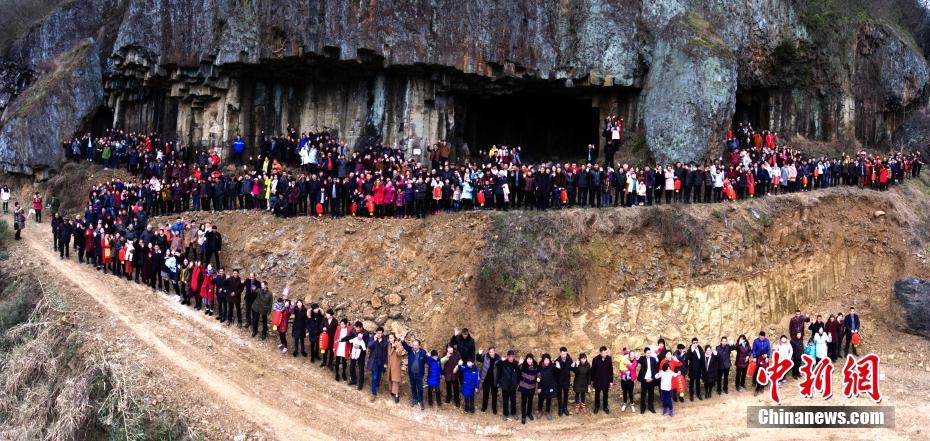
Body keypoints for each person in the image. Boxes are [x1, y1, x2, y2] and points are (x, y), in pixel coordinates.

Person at [400, 336, 428, 409]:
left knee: (420, 388)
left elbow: (426, 361)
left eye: (416, 345)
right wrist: (402, 341)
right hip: (411, 374)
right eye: (413, 345)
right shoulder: (410, 350)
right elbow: (405, 346)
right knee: (413, 387)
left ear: (419, 345)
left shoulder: (423, 352)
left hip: (419, 374)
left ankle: (420, 401)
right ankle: (414, 399)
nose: (414, 346)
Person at [341, 321, 370, 389]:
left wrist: (359, 347)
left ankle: (360, 383)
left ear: (361, 328)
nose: (356, 329)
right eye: (355, 328)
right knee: (352, 365)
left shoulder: (366, 333)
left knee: (361, 368)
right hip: (353, 351)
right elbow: (348, 336)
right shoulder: (353, 330)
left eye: (357, 328)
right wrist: (341, 339)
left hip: (361, 353)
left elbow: (366, 344)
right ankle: (353, 380)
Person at [497, 350, 520, 421]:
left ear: (514, 357)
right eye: (509, 356)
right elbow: (497, 367)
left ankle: (514, 413)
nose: (511, 358)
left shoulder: (517, 364)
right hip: (505, 386)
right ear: (507, 357)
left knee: (513, 400)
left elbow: (519, 374)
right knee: (505, 401)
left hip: (513, 386)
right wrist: (501, 360)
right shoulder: (503, 363)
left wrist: (517, 383)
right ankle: (505, 414)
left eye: (512, 356)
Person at [366, 327, 389, 399]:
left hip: (381, 362)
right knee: (375, 376)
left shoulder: (385, 340)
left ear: (382, 333)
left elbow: (386, 353)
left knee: (379, 375)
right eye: (378, 333)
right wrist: (374, 341)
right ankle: (373, 393)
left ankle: (376, 385)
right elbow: (369, 346)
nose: (379, 334)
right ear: (376, 333)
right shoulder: (373, 338)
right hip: (374, 362)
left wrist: (385, 362)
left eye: (380, 333)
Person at [590, 346, 613, 414]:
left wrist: (611, 381)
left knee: (605, 394)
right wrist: (592, 380)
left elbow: (611, 370)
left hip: (606, 380)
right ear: (600, 353)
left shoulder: (609, 359)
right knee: (597, 394)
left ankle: (605, 407)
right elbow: (592, 371)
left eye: (606, 353)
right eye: (603, 353)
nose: (605, 354)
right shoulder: (595, 359)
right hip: (597, 380)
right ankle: (596, 406)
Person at [517, 354, 538, 425]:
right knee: (524, 401)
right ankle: (523, 416)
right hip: (524, 386)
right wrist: (519, 363)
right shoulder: (523, 365)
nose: (529, 360)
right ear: (526, 359)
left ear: (532, 359)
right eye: (528, 359)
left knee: (530, 401)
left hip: (532, 386)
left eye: (530, 359)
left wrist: (539, 377)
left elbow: (538, 373)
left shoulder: (535, 366)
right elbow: (517, 370)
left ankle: (529, 413)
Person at [637, 346, 659, 414]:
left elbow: (656, 369)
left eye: (649, 353)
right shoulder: (642, 359)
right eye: (647, 353)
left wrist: (652, 378)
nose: (649, 354)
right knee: (643, 395)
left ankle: (651, 408)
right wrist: (640, 356)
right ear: (645, 353)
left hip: (651, 380)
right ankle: (643, 408)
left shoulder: (653, 359)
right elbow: (637, 359)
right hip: (644, 380)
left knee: (651, 395)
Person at [536, 354, 558, 420]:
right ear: (543, 360)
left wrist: (558, 366)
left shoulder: (552, 366)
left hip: (550, 386)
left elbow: (557, 371)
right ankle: (540, 411)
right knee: (541, 399)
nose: (546, 361)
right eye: (545, 360)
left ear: (549, 360)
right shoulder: (540, 367)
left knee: (549, 399)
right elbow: (538, 376)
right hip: (542, 386)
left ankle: (547, 411)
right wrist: (539, 387)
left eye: (547, 360)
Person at [479, 347, 499, 414]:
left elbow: (501, 368)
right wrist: (479, 354)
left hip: (494, 379)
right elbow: (478, 359)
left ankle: (494, 408)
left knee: (494, 395)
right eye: (490, 352)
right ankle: (484, 407)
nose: (491, 353)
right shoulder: (485, 357)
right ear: (488, 352)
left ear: (494, 352)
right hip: (486, 379)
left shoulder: (498, 359)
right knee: (485, 393)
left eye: (492, 352)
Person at [553, 347, 572, 417]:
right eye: (563, 354)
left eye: (565, 354)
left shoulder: (569, 359)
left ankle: (565, 408)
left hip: (566, 381)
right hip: (559, 381)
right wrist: (557, 368)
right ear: (560, 353)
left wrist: (574, 366)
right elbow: (554, 372)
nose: (564, 356)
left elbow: (572, 368)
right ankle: (560, 408)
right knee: (559, 395)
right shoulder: (557, 361)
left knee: (566, 395)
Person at [386, 333, 404, 403]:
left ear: (394, 338)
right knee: (390, 378)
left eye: (392, 338)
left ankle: (396, 395)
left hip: (396, 365)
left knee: (395, 380)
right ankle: (392, 391)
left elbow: (399, 353)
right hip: (390, 364)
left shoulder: (398, 344)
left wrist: (395, 347)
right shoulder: (389, 345)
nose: (390, 339)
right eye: (389, 338)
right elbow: (388, 354)